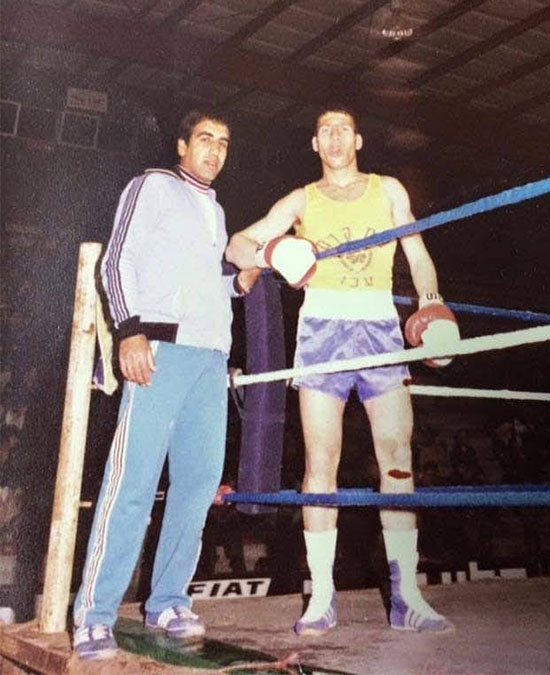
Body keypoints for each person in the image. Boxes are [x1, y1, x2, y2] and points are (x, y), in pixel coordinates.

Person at [225, 106, 460, 636]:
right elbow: (236, 244)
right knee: (321, 462)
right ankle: (321, 598)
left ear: (358, 139)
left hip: (379, 326)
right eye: (325, 131)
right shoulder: (301, 199)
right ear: (314, 143)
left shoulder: (388, 189)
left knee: (397, 458)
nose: (334, 138)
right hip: (322, 330)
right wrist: (272, 252)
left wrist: (430, 303)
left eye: (343, 130)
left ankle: (407, 597)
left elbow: (417, 252)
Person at [73, 109, 259, 660]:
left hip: (210, 359)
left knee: (198, 485)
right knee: (131, 483)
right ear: (182, 145)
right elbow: (115, 263)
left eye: (224, 143)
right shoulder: (152, 185)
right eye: (205, 139)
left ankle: (169, 601)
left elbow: (202, 283)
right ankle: (93, 616)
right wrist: (129, 332)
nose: (215, 150)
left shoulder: (216, 211)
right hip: (159, 350)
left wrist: (238, 284)